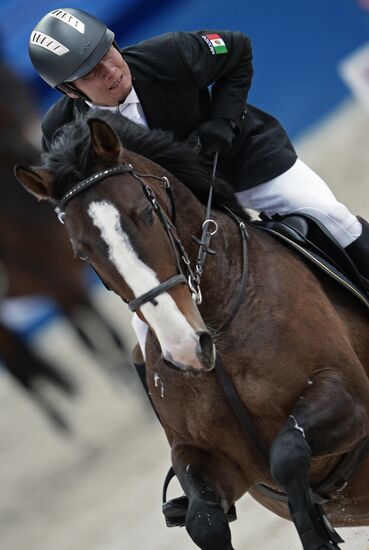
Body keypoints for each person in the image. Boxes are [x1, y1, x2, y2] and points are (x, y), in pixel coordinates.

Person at [28, 8, 369, 356]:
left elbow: (238, 50)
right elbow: (69, 198)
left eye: (108, 54)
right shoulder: (61, 132)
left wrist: (223, 122)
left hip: (239, 161)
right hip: (175, 210)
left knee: (331, 217)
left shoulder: (171, 53)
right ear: (71, 91)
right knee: (144, 338)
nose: (111, 71)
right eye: (92, 73)